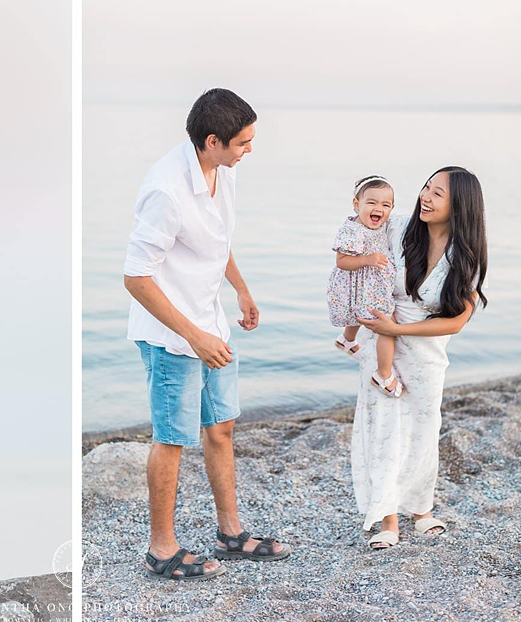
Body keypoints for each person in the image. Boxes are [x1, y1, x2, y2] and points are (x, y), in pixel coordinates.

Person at [124, 88, 290, 582]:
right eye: (242, 142)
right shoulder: (166, 191)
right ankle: (161, 550)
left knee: (220, 427)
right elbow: (136, 277)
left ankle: (231, 535)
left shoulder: (223, 172)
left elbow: (217, 243)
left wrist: (242, 291)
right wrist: (194, 335)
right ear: (211, 140)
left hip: (211, 324)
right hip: (173, 336)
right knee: (172, 439)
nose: (249, 150)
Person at [352, 166, 488, 549]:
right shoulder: (396, 229)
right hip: (381, 344)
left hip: (425, 352)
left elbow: (457, 321)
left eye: (438, 193)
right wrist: (354, 317)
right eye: (426, 187)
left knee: (423, 432)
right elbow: (354, 231)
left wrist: (400, 330)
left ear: (459, 206)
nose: (425, 196)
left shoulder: (467, 256)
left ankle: (422, 509)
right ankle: (387, 516)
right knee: (384, 429)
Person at [327, 176, 402, 397]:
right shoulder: (353, 230)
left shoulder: (381, 224)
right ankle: (383, 374)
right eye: (371, 203)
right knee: (387, 325)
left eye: (385, 205)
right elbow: (341, 261)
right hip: (359, 283)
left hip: (371, 285)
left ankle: (347, 340)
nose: (378, 208)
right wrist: (367, 259)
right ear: (356, 205)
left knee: (358, 316)